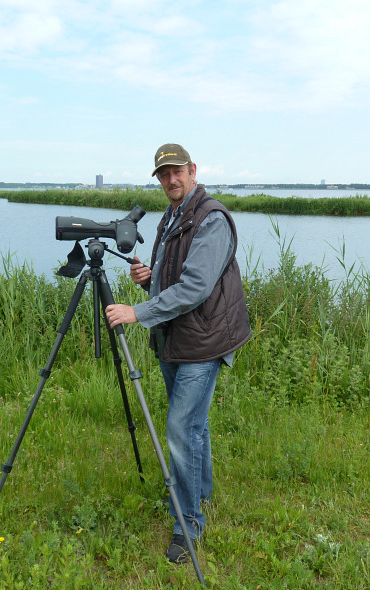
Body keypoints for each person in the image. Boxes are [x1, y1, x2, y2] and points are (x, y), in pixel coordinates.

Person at [105, 143, 252, 563]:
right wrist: (147, 281)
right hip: (178, 336)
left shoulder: (211, 219)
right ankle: (198, 493)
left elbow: (195, 288)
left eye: (176, 172)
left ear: (192, 170)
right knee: (192, 426)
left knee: (180, 429)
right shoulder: (172, 218)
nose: (171, 180)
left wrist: (138, 311)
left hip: (203, 341)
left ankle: (187, 524)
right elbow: (175, 279)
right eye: (163, 175)